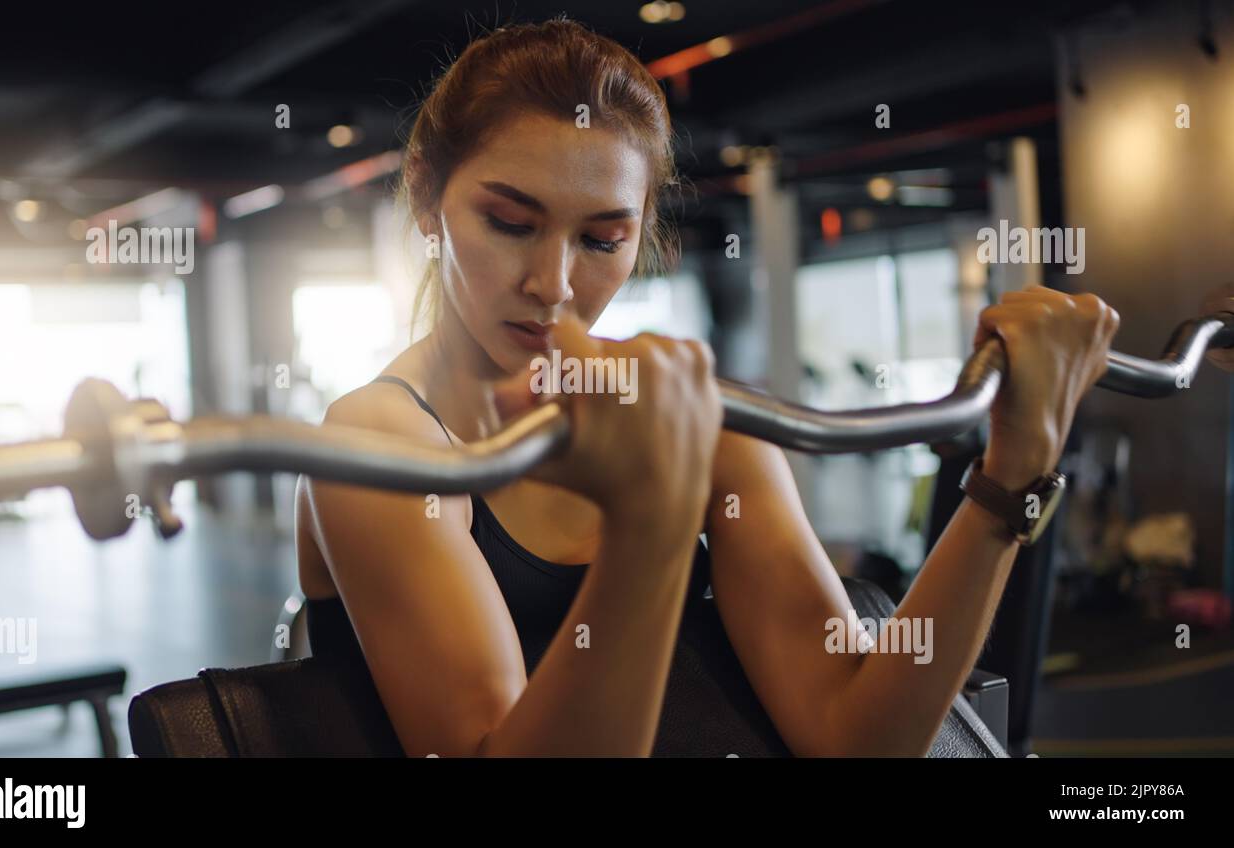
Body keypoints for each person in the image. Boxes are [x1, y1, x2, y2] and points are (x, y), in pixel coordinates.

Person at [294, 18, 1119, 757]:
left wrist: (1010, 482)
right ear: (426, 195)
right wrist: (650, 522)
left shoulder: (693, 415)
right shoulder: (377, 445)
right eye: (511, 224)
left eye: (601, 239)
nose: (552, 282)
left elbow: (857, 735)